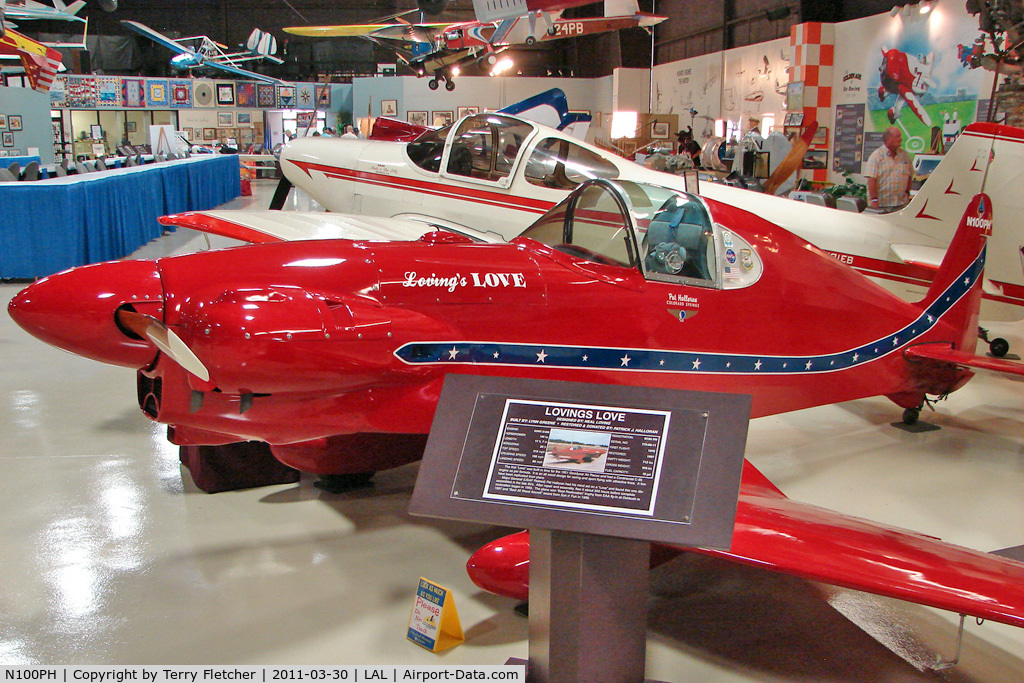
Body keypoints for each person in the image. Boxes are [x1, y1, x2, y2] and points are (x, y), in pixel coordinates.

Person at [865, 126, 913, 210]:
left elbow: (909, 176)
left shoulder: (905, 155)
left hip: (901, 204)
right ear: (888, 139)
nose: (901, 139)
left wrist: (907, 193)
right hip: (882, 204)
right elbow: (871, 180)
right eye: (898, 136)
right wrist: (874, 200)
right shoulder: (876, 156)